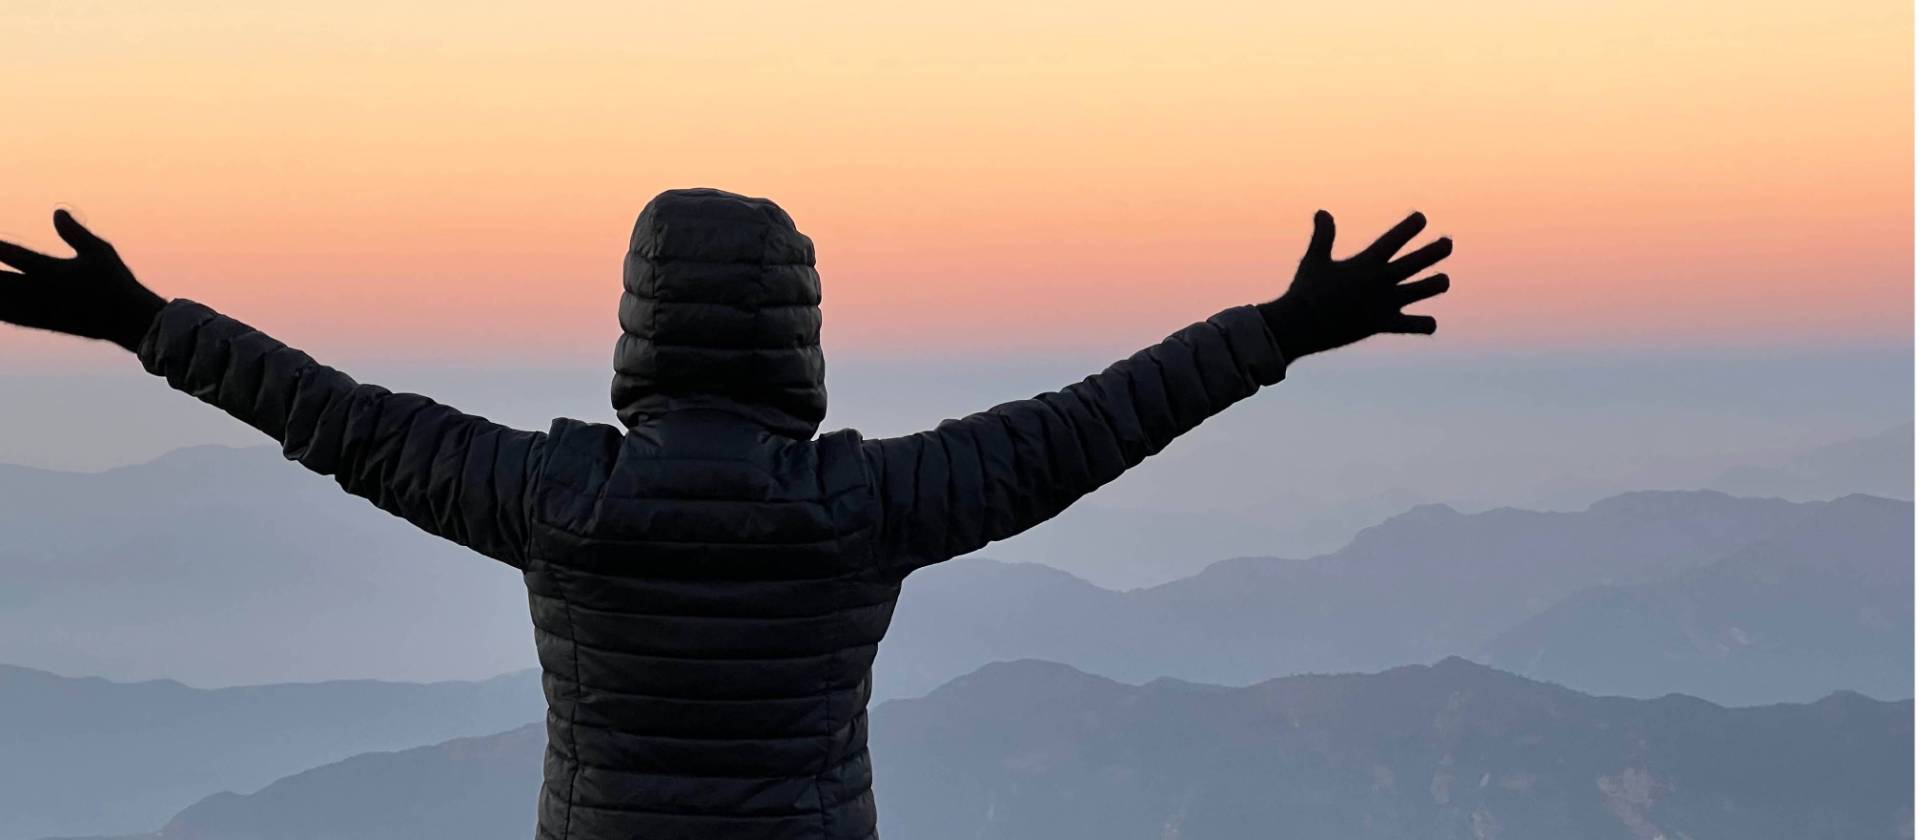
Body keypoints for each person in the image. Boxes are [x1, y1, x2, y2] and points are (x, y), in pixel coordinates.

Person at [0, 188, 1451, 840]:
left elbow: (338, 420)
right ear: (797, 336)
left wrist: (141, 319)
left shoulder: (553, 500)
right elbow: (1088, 428)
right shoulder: (861, 507)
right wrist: (1275, 330)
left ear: (637, 329)